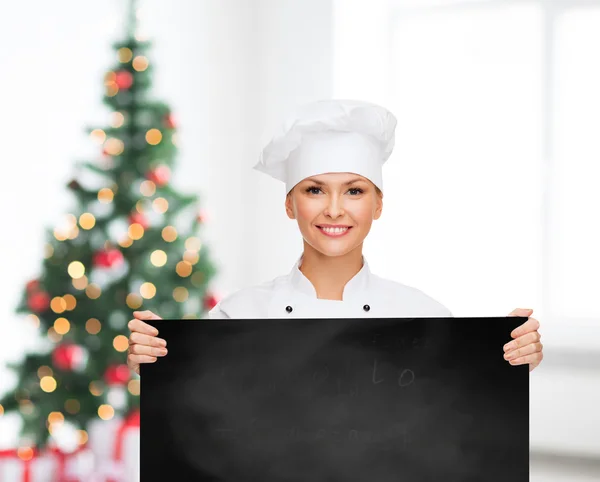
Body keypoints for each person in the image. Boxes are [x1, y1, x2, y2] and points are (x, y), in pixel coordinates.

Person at [127, 99, 543, 375]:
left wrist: (503, 354)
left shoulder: (425, 315)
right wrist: (157, 355)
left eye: (355, 191)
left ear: (378, 205)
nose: (334, 209)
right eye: (314, 190)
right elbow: (198, 414)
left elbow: (459, 416)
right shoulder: (238, 315)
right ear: (290, 204)